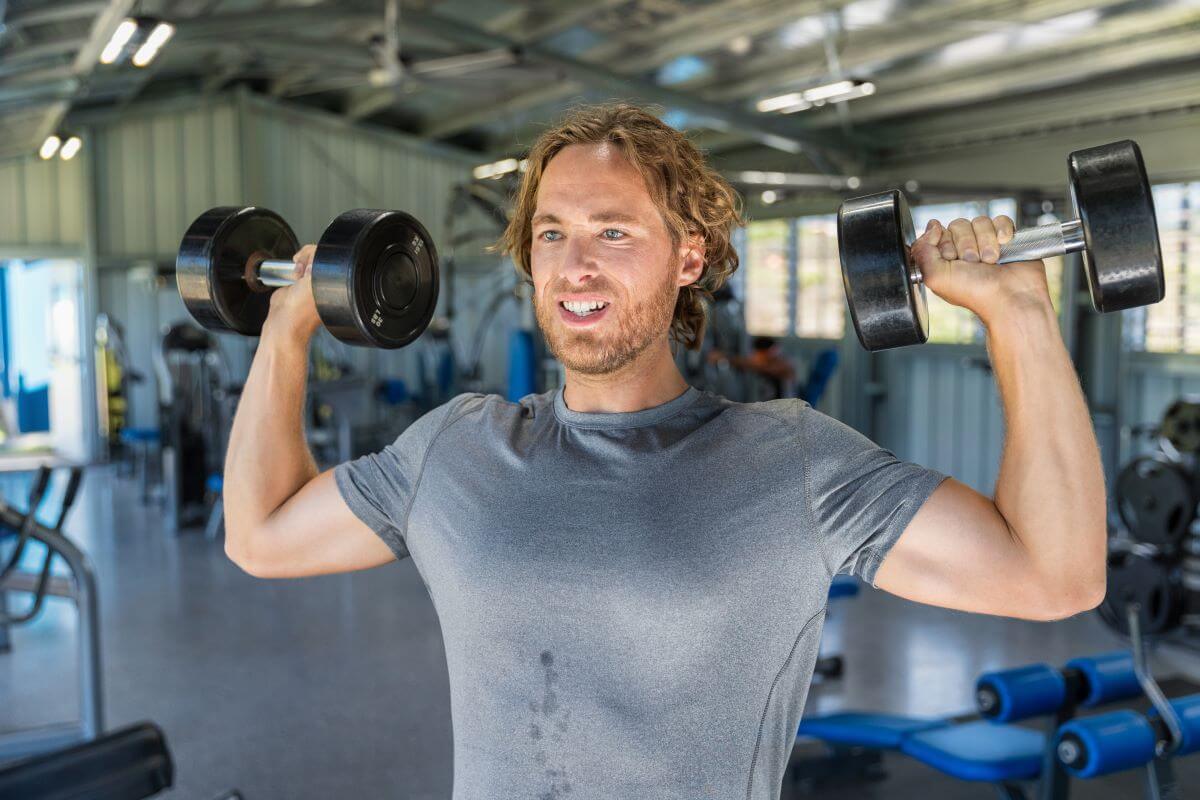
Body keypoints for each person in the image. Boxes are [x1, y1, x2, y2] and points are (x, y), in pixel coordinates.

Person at [221, 104, 1106, 799]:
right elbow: (259, 535)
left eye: (614, 232)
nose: (574, 266)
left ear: (689, 256)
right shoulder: (454, 449)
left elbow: (1053, 573)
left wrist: (1018, 315)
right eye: (552, 233)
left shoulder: (788, 461)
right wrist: (287, 329)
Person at [708, 335, 797, 400]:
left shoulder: (785, 364)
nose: (755, 359)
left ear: (766, 353)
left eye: (758, 356)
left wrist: (725, 357)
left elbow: (759, 366)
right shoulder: (769, 362)